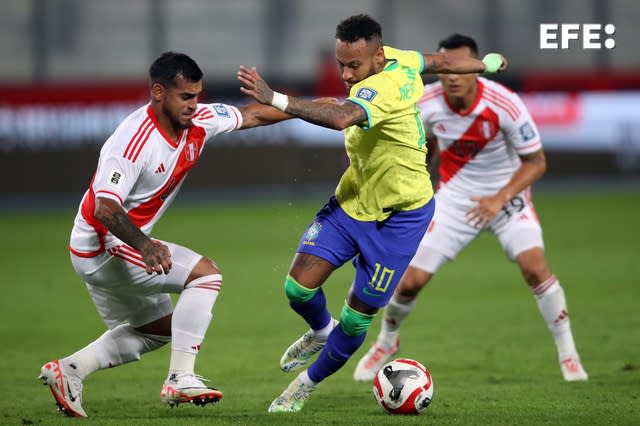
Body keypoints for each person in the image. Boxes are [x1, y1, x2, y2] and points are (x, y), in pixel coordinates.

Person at [237, 15, 507, 413]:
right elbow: (444, 62)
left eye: (354, 66)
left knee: (357, 317)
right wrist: (486, 65)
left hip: (402, 218)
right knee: (298, 289)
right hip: (354, 201)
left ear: (376, 57)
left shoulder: (387, 86)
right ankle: (318, 331)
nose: (345, 74)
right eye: (340, 63)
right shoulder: (397, 59)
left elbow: (342, 117)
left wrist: (273, 96)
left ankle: (303, 386)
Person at [38, 51, 293, 418]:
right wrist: (145, 245)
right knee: (206, 275)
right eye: (185, 97)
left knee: (160, 329)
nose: (194, 105)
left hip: (109, 247)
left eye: (197, 95)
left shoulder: (200, 121)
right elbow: (104, 208)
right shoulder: (132, 141)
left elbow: (253, 114)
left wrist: (309, 107)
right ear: (158, 92)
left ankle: (70, 370)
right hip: (101, 245)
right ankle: (180, 377)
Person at [353, 34, 588, 382]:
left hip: (507, 198)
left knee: (535, 269)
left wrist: (499, 198)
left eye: (460, 69)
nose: (452, 76)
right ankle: (387, 342)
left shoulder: (504, 103)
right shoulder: (426, 101)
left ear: (476, 70)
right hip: (455, 199)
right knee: (409, 282)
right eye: (445, 69)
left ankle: (568, 355)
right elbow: (423, 145)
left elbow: (536, 162)